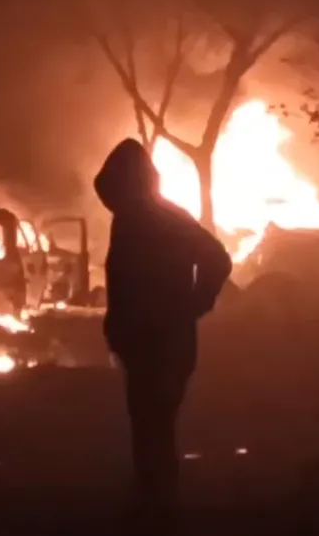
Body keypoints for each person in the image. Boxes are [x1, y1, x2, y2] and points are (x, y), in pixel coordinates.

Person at [93, 138, 233, 526]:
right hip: (149, 339)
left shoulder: (159, 217)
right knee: (151, 423)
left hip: (162, 340)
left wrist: (195, 303)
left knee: (153, 423)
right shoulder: (137, 217)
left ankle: (158, 506)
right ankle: (154, 500)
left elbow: (217, 259)